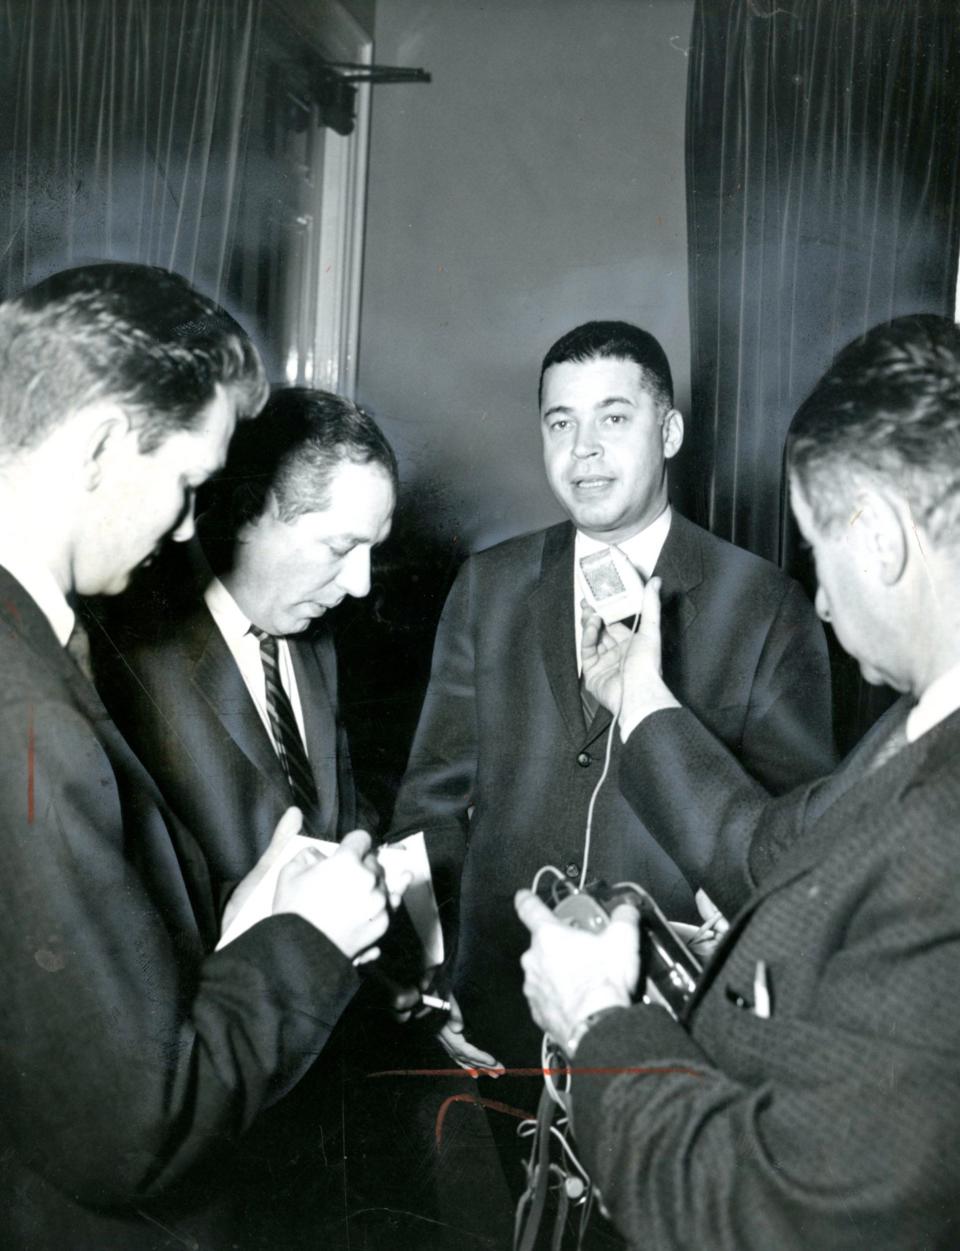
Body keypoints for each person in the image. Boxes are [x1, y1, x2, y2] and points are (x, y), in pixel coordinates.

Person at [516, 313, 960, 1250]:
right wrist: (642, 699)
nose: (824, 593)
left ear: (877, 536)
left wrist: (597, 1024)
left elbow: (785, 1213)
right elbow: (767, 848)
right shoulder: (916, 729)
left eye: (816, 543)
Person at [0, 263, 395, 1250]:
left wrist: (240, 932)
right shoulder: (26, 708)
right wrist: (307, 941)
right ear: (98, 446)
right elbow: (137, 1124)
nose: (187, 527)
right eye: (183, 484)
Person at [390, 320, 836, 1174]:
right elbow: (433, 799)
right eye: (560, 422)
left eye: (613, 418)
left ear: (667, 432)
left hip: (666, 1031)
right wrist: (430, 970)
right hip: (499, 1015)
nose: (584, 450)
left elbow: (789, 847)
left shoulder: (765, 603)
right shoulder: (489, 584)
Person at [92, 385, 396, 892]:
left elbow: (338, 815)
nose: (360, 584)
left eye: (372, 550)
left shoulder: (312, 629)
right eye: (341, 546)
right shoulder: (129, 658)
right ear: (249, 512)